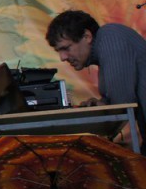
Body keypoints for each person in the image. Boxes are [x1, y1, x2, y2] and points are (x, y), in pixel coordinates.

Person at [46, 10, 146, 143]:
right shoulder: (104, 47)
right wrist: (102, 103)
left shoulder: (111, 36)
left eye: (66, 48)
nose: (62, 57)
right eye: (59, 51)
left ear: (87, 36)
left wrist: (104, 105)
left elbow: (121, 102)